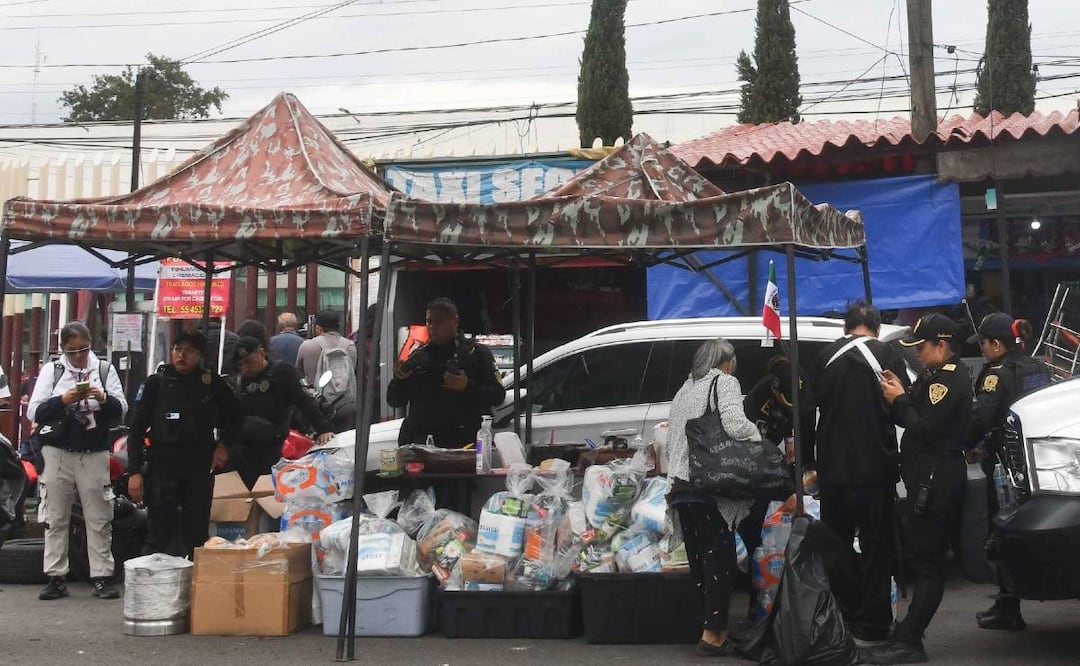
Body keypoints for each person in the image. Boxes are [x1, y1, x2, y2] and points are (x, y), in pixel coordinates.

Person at [867, 314, 973, 664]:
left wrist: (899, 399)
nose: (917, 354)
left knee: (928, 562)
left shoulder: (951, 380)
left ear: (942, 346)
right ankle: (907, 633)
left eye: (922, 347)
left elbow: (924, 428)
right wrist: (899, 392)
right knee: (922, 556)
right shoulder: (934, 377)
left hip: (936, 478)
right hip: (926, 475)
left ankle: (910, 640)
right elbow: (909, 416)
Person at [815, 301, 910, 645]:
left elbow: (812, 407)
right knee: (876, 546)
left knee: (836, 544)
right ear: (877, 328)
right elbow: (902, 407)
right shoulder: (888, 356)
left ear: (846, 327)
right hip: (875, 467)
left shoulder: (824, 357)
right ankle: (873, 623)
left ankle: (842, 614)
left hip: (833, 468)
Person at [666, 338, 763, 656]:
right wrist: (758, 440)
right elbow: (735, 425)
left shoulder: (684, 390)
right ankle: (712, 636)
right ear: (728, 361)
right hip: (709, 488)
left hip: (681, 488)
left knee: (701, 563)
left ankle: (712, 626)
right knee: (720, 561)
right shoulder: (725, 382)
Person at [27, 322, 127, 601]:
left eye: (83, 349)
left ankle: (102, 575)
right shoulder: (53, 371)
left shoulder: (104, 370)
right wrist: (64, 399)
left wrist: (102, 398)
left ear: (90, 344)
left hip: (93, 452)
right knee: (55, 515)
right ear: (63, 351)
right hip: (57, 451)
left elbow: (121, 409)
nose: (79, 356)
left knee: (99, 515)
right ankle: (55, 575)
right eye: (72, 351)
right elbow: (34, 411)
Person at [126, 329, 243, 559]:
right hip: (162, 466)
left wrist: (224, 445)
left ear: (199, 355)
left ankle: (197, 588)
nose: (182, 355)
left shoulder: (209, 382)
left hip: (197, 467)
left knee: (196, 536)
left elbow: (236, 416)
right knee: (158, 536)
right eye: (178, 349)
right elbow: (136, 429)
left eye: (189, 351)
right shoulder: (156, 383)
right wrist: (134, 471)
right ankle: (151, 589)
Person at [968, 313, 1051, 631]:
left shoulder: (996, 375)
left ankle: (1008, 606)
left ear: (997, 344)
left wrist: (964, 444)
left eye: (985, 344)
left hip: (1005, 466)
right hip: (1036, 465)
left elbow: (982, 418)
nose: (983, 350)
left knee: (1001, 532)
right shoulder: (1037, 366)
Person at [387, 298, 505, 448]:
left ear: (454, 321)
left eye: (439, 322)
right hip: (424, 443)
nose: (433, 327)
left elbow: (497, 395)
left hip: (464, 444)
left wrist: (467, 387)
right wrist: (400, 380)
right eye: (429, 322)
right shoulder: (419, 357)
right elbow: (394, 400)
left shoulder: (476, 354)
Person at [231, 336, 335, 487]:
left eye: (248, 362)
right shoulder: (241, 382)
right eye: (241, 364)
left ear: (261, 353)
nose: (245, 368)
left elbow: (305, 401)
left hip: (275, 449)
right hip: (245, 452)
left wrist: (323, 429)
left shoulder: (283, 373)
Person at [296, 310, 357, 431]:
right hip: (344, 406)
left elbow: (298, 373)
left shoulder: (307, 346)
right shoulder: (350, 346)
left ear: (318, 328)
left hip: (315, 407)